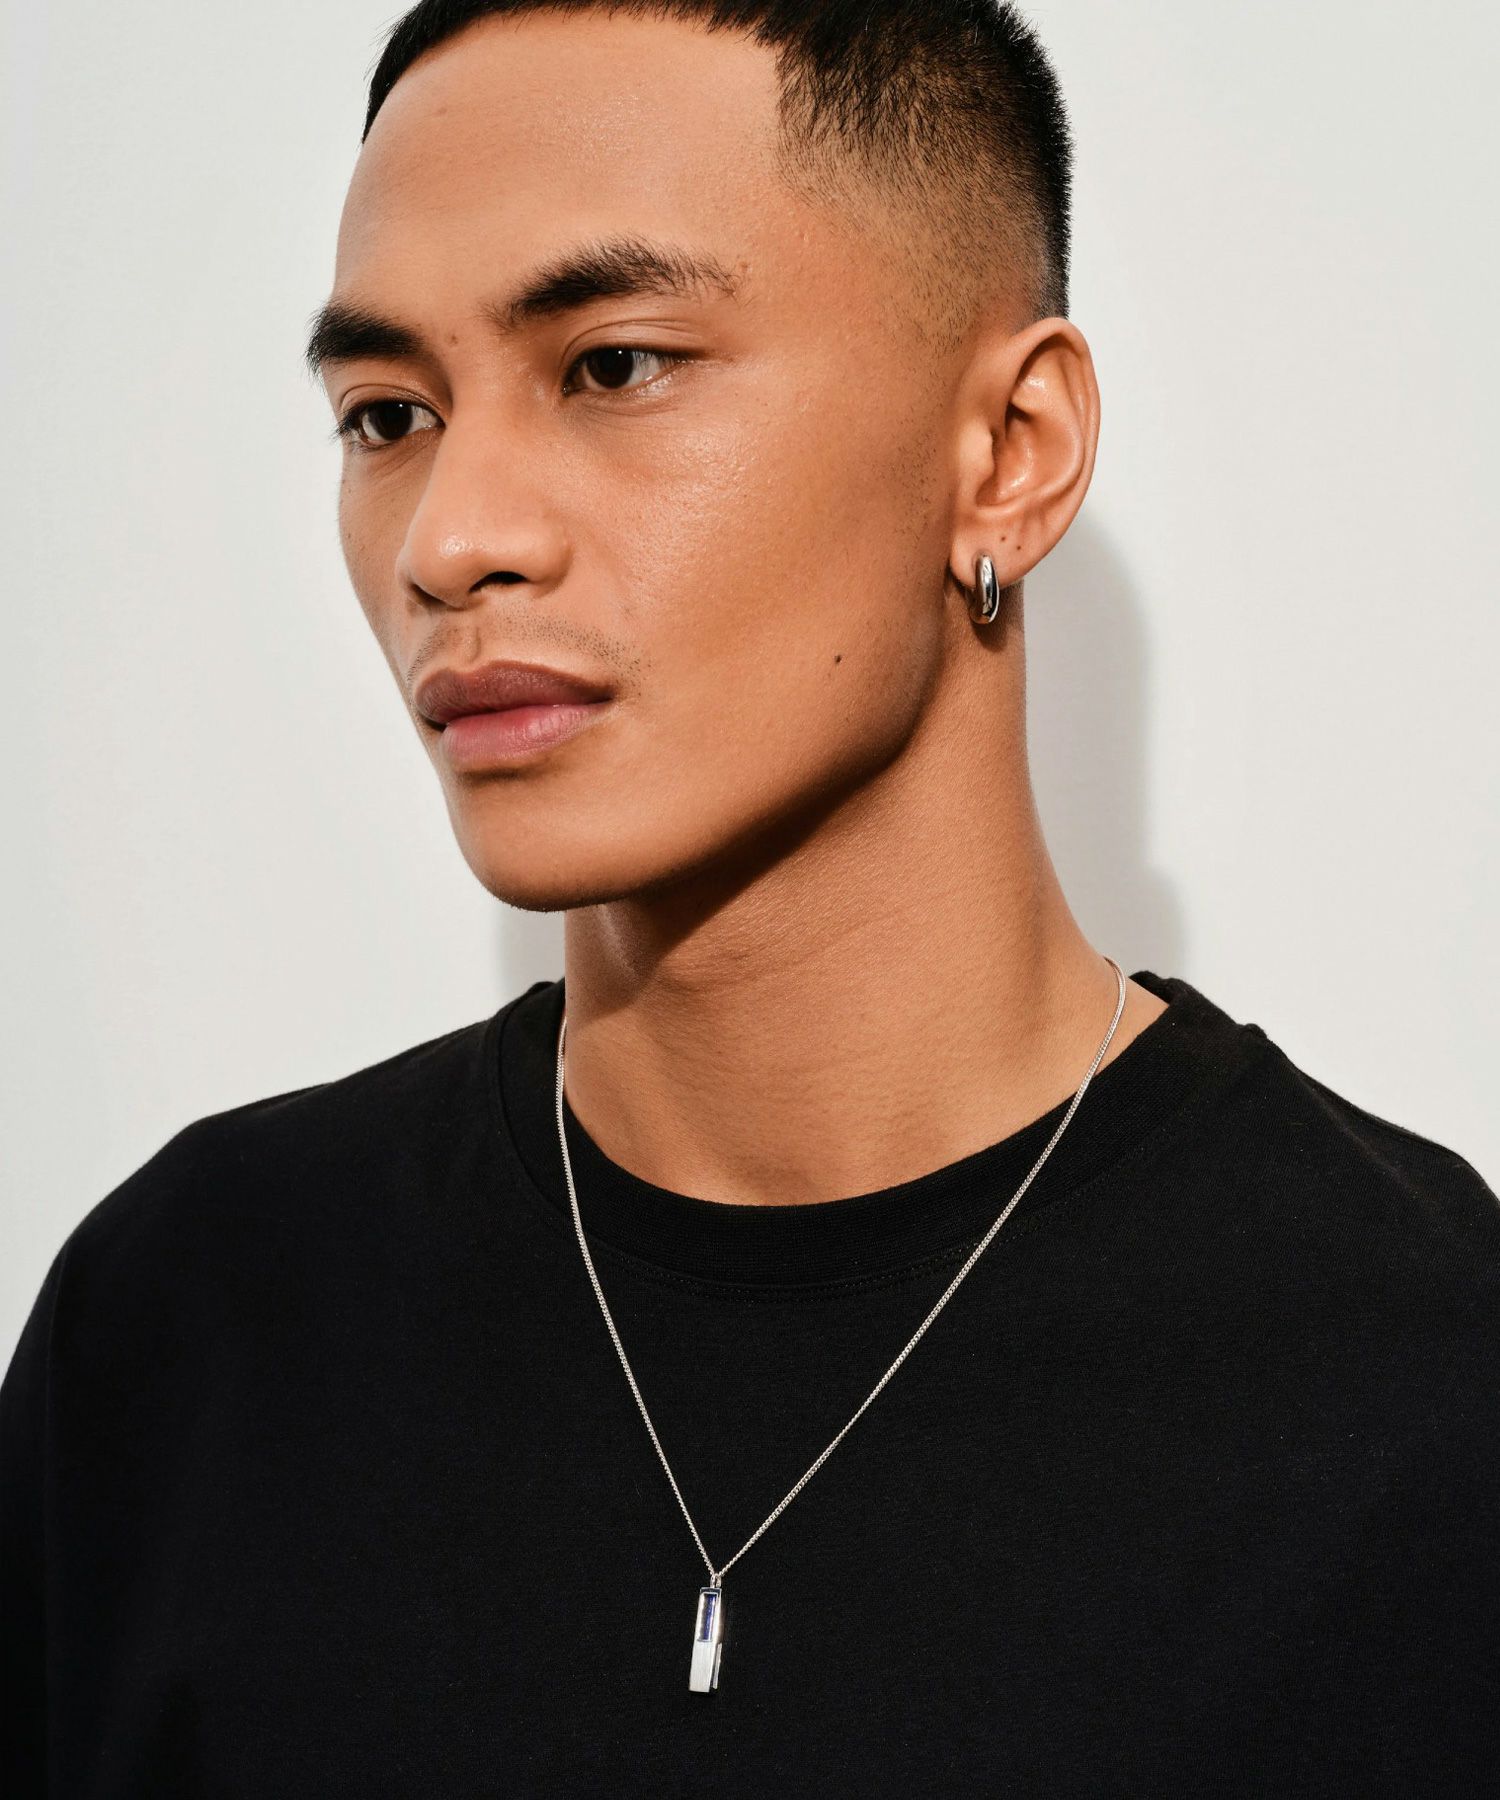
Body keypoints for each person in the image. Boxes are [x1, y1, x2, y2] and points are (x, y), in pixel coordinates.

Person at [3, 1, 1496, 1791]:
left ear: (1009, 451)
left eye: (615, 367)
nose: (450, 539)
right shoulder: (191, 1329)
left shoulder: (1426, 1384)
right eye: (387, 414)